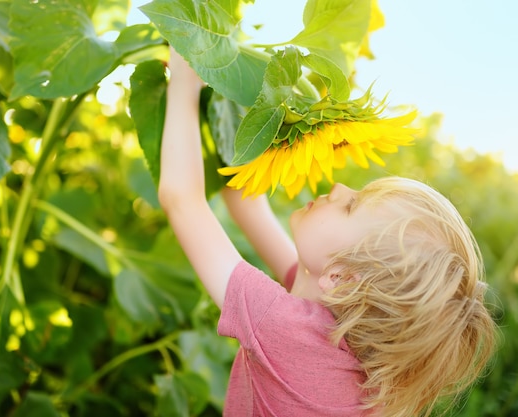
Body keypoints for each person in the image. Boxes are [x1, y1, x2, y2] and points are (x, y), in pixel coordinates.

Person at [157, 48, 497, 417]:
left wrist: (185, 79)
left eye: (352, 206)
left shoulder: (286, 330)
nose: (340, 188)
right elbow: (244, 201)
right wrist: (248, 99)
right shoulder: (338, 322)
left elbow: (181, 199)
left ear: (341, 278)